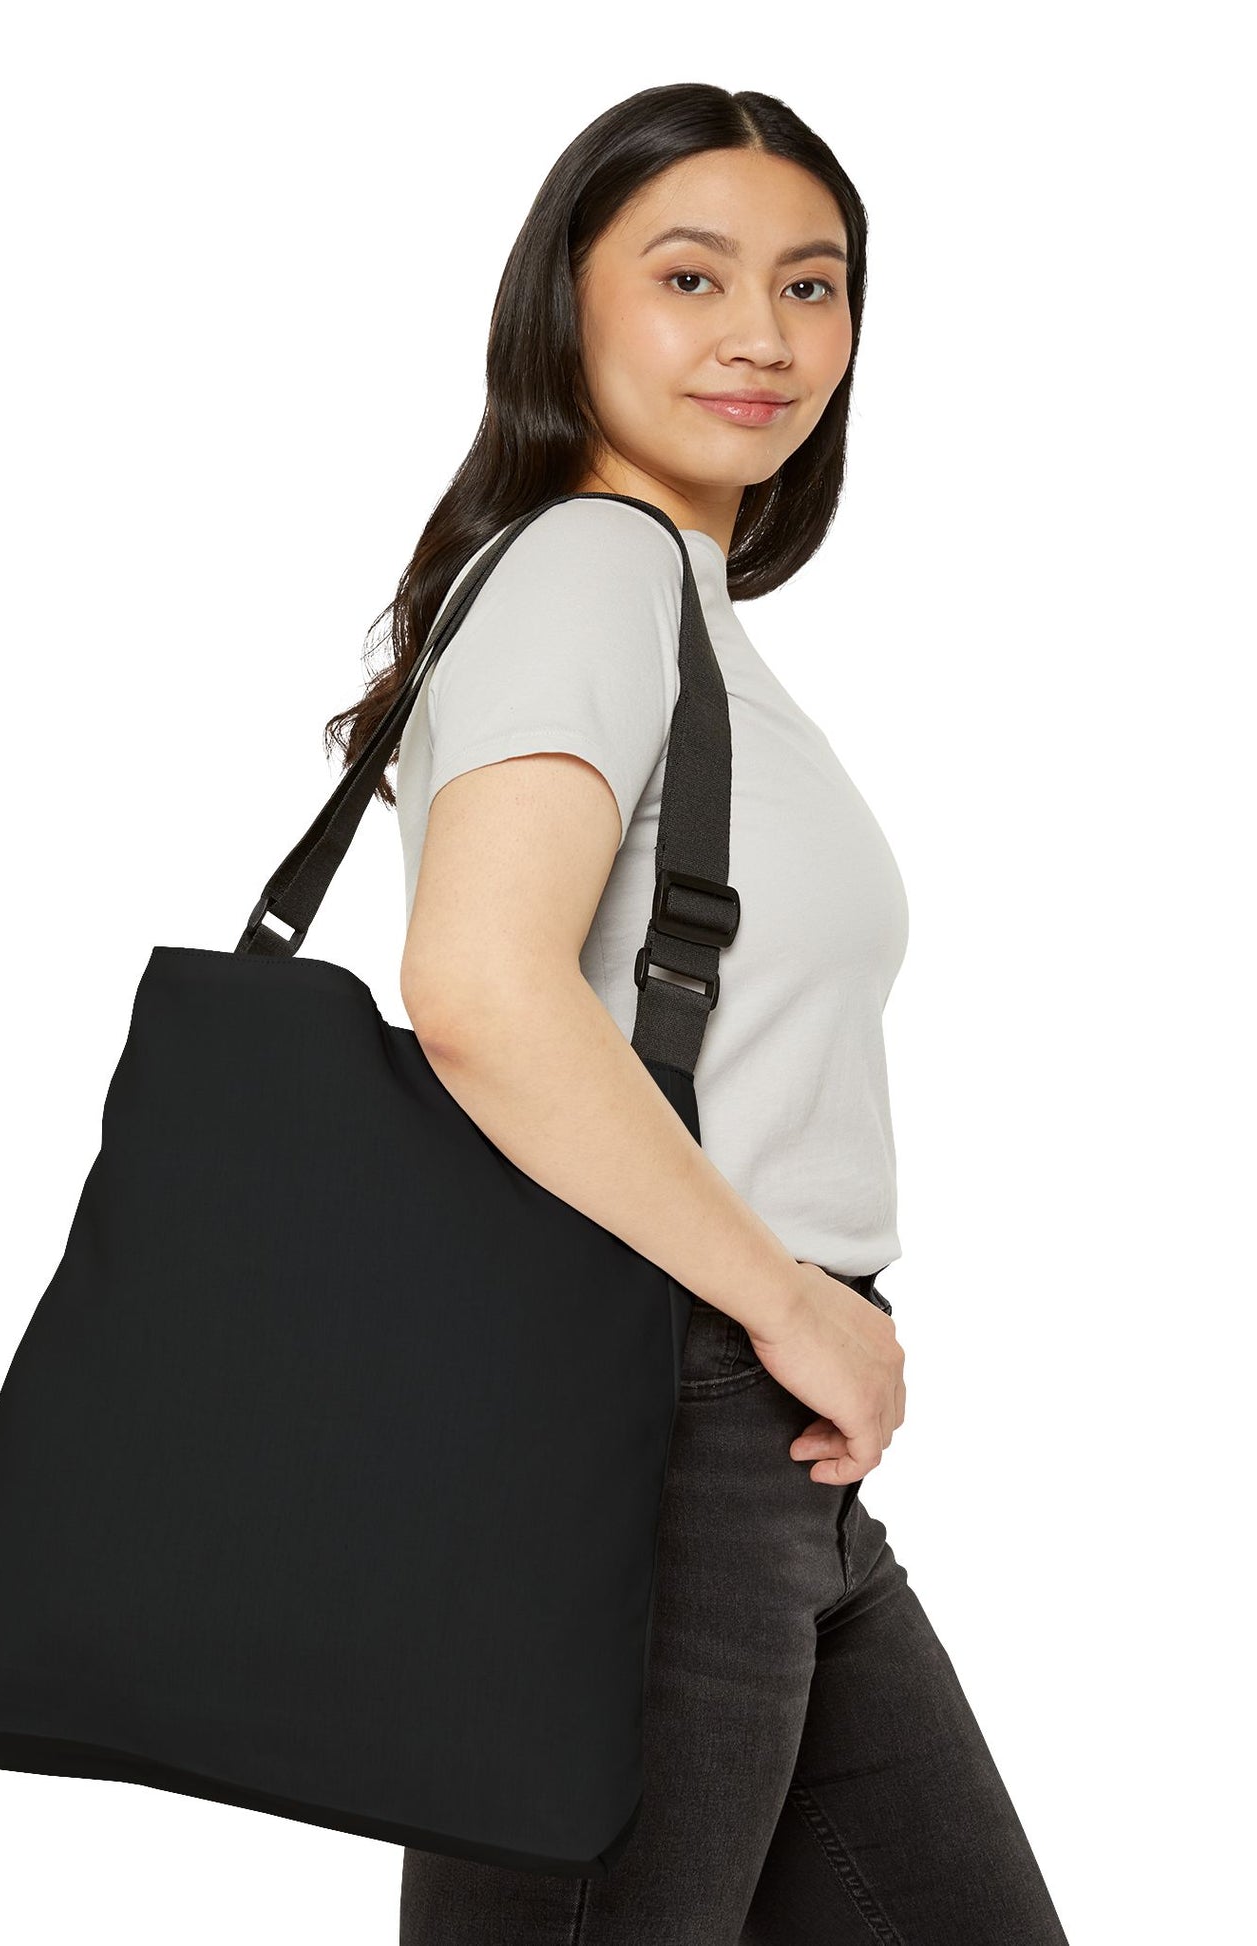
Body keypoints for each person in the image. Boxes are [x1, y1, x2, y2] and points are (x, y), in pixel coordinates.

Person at [325, 82, 1071, 1945]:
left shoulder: (676, 604)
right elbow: (479, 991)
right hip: (654, 1416)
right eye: (690, 274)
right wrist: (787, 1298)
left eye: (814, 287)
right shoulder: (590, 564)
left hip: (745, 1453)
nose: (764, 334)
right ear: (562, 309)